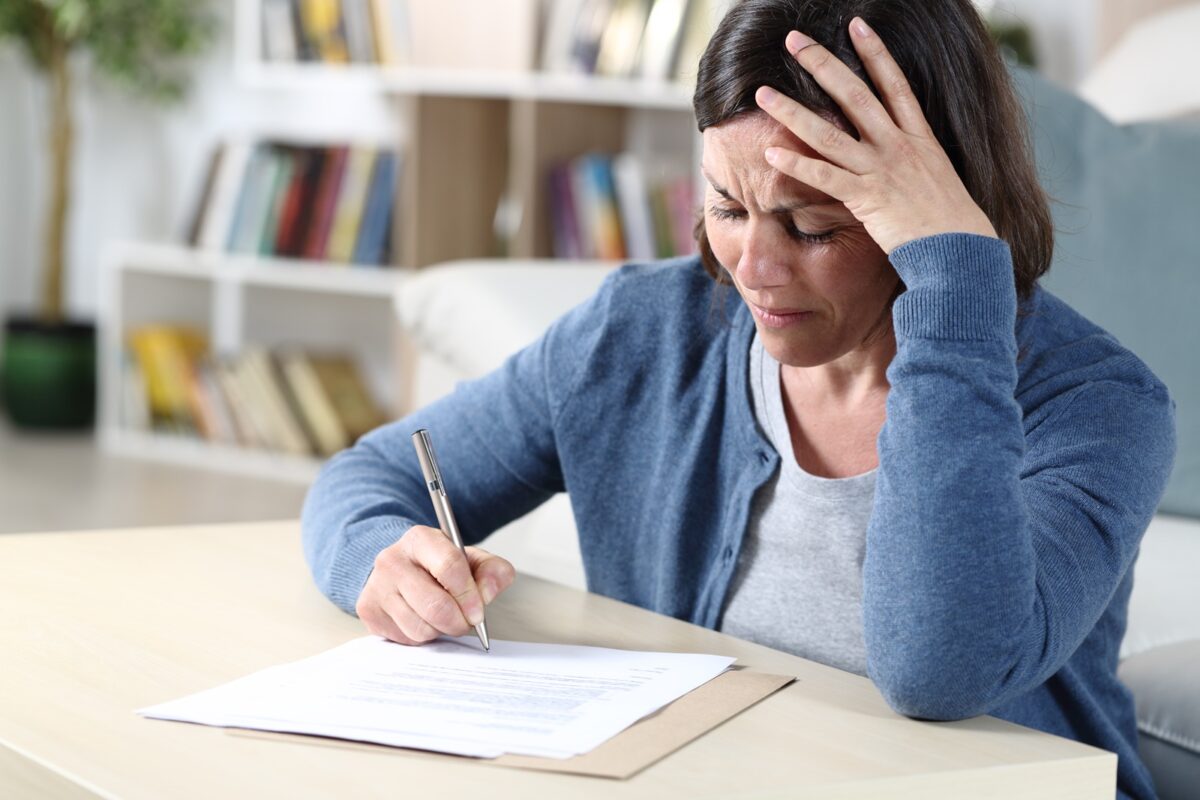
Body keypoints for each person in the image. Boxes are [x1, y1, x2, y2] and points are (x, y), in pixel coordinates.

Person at [301, 1, 1175, 797]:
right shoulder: (643, 332)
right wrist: (380, 562)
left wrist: (953, 282)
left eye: (812, 226)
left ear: (936, 206)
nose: (751, 269)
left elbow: (940, 672)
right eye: (726, 204)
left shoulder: (1101, 406)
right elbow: (372, 476)